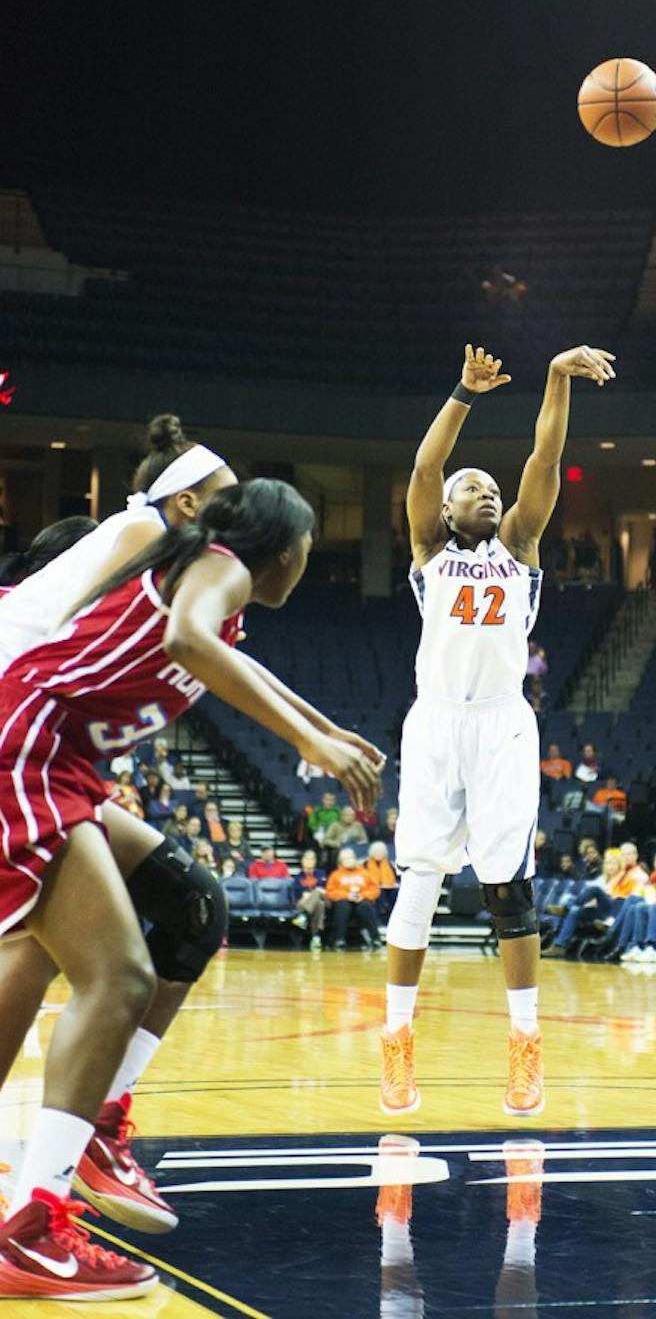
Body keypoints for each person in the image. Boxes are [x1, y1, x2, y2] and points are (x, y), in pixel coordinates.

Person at [0, 478, 384, 1301]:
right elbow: (187, 642)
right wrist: (310, 744)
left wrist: (323, 727)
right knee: (116, 975)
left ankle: (94, 1126)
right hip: (25, 746)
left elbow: (227, 654)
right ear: (286, 549)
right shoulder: (218, 568)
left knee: (189, 903)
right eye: (311, 550)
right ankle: (35, 1224)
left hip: (58, 758)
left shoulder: (220, 594)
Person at [382, 342, 615, 1119]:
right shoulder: (427, 553)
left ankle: (525, 1046)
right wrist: (463, 393)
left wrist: (553, 376)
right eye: (468, 487)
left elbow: (545, 458)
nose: (482, 491)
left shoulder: (519, 549)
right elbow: (423, 469)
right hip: (436, 723)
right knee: (418, 877)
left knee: (508, 885)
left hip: (503, 727)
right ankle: (396, 1039)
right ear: (445, 512)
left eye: (487, 485)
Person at [326, 847, 382, 951]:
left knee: (365, 906)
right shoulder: (335, 875)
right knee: (343, 906)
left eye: (350, 858)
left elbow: (375, 889)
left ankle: (375, 938)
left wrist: (363, 895)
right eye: (345, 859)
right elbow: (330, 892)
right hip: (344, 901)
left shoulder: (365, 873)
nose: (348, 861)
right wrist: (346, 895)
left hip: (361, 900)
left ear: (355, 859)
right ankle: (339, 940)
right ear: (341, 861)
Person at [292, 848, 328, 951]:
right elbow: (297, 894)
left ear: (315, 861)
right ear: (302, 861)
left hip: (323, 900)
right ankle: (316, 937)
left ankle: (303, 917)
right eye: (307, 859)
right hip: (303, 904)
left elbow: (323, 890)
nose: (309, 861)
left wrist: (311, 894)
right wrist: (307, 895)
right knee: (319, 904)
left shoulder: (321, 874)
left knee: (318, 894)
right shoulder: (298, 878)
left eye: (312, 859)